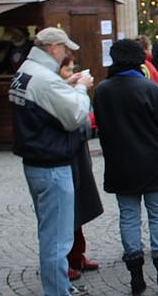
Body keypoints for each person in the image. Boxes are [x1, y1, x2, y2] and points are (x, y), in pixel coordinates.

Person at [9, 27, 92, 296]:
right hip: (53, 166)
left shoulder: (26, 71)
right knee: (57, 239)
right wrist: (80, 88)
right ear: (53, 48)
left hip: (35, 164)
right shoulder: (45, 78)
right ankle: (57, 291)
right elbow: (76, 115)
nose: (67, 54)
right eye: (65, 49)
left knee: (50, 233)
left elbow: (42, 98)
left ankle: (58, 286)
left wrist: (65, 85)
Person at [94, 39, 158, 295]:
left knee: (128, 217)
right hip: (152, 161)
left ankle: (136, 277)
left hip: (121, 163)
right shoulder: (150, 89)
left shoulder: (103, 90)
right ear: (140, 59)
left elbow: (101, 127)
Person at [57, 54, 102, 282]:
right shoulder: (59, 94)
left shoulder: (68, 91)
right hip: (65, 156)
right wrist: (79, 90)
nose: (72, 74)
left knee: (79, 205)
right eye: (67, 70)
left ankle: (77, 255)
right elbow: (78, 120)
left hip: (78, 153)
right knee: (66, 211)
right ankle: (63, 261)